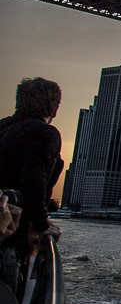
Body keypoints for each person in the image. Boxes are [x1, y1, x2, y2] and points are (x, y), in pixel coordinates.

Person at [0, 78, 64, 271]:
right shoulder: (45, 133)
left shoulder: (3, 127)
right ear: (53, 109)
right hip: (12, 235)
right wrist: (43, 225)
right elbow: (33, 182)